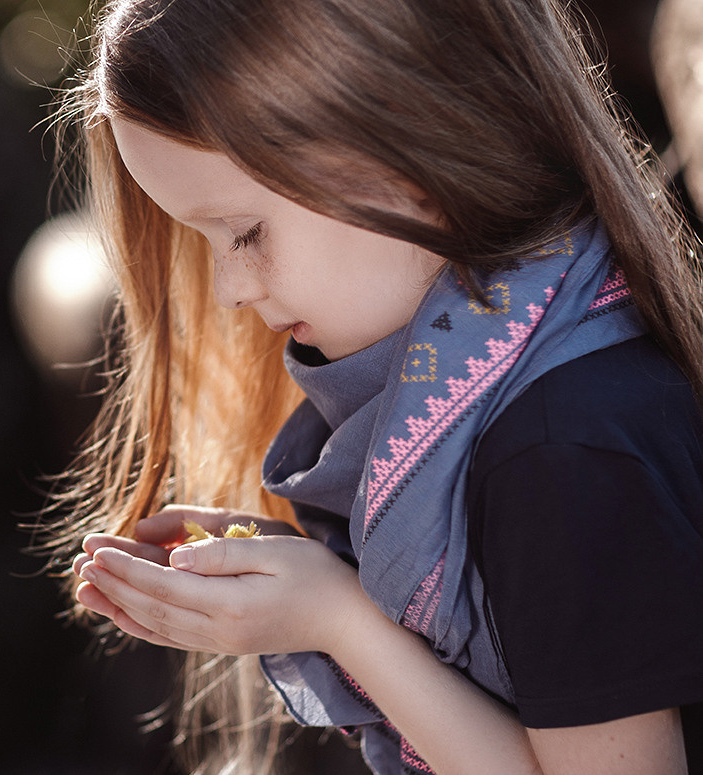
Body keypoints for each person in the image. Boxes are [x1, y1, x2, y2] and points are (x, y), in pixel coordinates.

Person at [42, 0, 703, 772]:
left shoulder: (556, 451)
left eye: (245, 232)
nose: (227, 289)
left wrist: (339, 618)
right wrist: (306, 584)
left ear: (411, 160)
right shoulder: (534, 377)